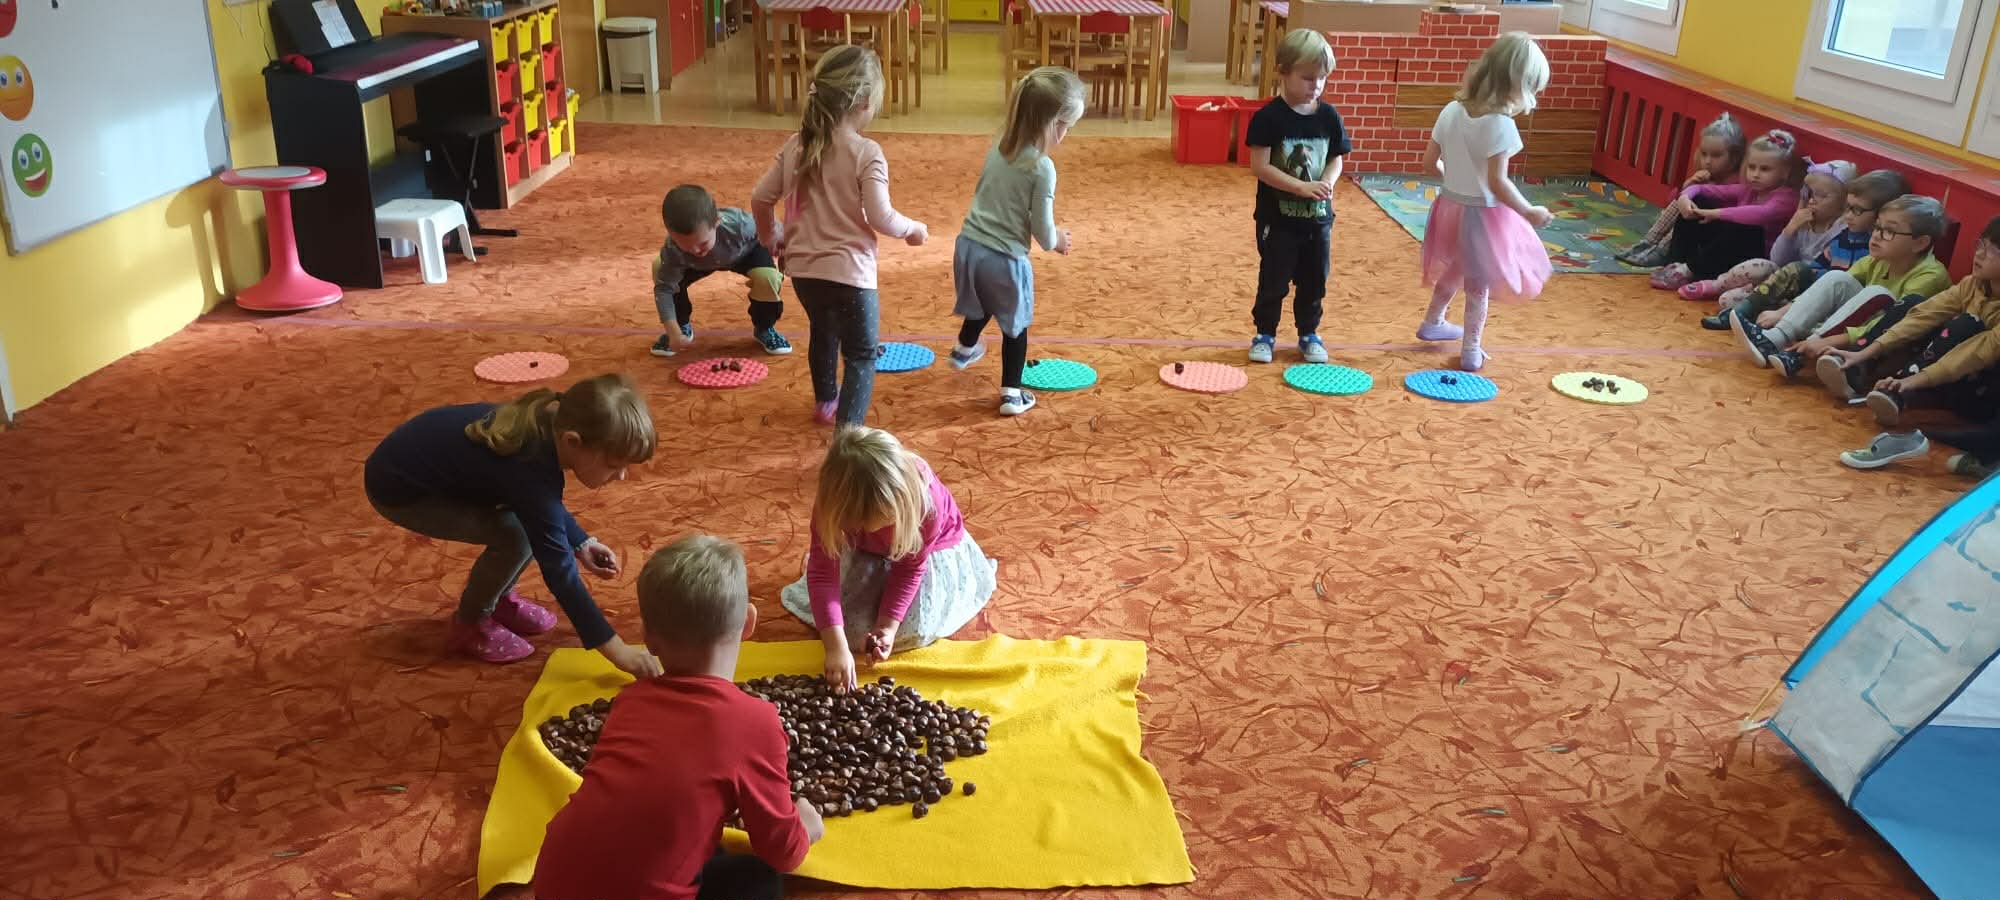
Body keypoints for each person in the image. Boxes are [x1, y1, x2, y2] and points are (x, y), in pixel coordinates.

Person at [534, 534, 826, 900]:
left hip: (554, 880)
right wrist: (806, 827)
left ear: (648, 638)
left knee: (700, 844)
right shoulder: (755, 722)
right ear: (749, 623)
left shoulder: (630, 700)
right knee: (760, 879)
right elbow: (783, 853)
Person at [363, 373, 663, 676]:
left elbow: (542, 506)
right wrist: (618, 652)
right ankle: (469, 624)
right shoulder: (529, 466)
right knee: (515, 537)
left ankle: (498, 600)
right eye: (614, 465)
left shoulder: (547, 429)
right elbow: (559, 571)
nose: (621, 476)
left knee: (524, 523)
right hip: (401, 490)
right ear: (573, 441)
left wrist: (581, 542)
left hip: (420, 468)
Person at [751, 45, 928, 426]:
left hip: (804, 273)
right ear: (864, 102)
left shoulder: (796, 145)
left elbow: (760, 199)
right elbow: (882, 217)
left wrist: (772, 236)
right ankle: (848, 437)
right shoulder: (866, 152)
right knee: (861, 355)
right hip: (851, 276)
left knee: (823, 331)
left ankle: (825, 402)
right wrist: (914, 229)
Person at [780, 426, 996, 692]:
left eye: (882, 521)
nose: (871, 528)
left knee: (912, 629)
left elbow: (909, 568)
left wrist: (887, 627)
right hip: (865, 550)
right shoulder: (831, 503)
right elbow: (823, 573)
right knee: (848, 630)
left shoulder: (925, 505)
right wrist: (835, 647)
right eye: (857, 523)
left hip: (927, 554)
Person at [1413, 31, 1554, 372]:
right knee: (1478, 282)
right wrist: (1528, 211)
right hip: (1482, 214)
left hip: (1449, 207)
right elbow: (1497, 182)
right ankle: (1471, 348)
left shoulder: (1451, 110)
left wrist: (1454, 180)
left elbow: (1429, 163)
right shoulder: (1500, 125)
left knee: (1458, 266)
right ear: (1517, 86)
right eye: (1533, 90)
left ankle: (1433, 321)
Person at [949, 66, 1085, 417]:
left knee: (984, 300)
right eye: (1067, 127)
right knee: (1016, 324)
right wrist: (1058, 240)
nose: (1066, 135)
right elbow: (1043, 231)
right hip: (1004, 258)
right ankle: (1012, 393)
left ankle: (964, 347)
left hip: (968, 247)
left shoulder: (999, 147)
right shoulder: (1042, 167)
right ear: (1053, 124)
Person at [1818, 215, 2000, 442]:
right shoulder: (1972, 284)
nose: (1979, 254)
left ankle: (1902, 392)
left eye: (1993, 251)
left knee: (1965, 323)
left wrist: (1910, 382)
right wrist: (1865, 351)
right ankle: (1859, 365)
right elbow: (1924, 315)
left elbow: (1974, 353)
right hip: (1945, 373)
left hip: (1981, 390)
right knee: (1914, 304)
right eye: (1981, 244)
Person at [1733, 194, 1952, 379]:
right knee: (1837, 277)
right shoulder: (1877, 259)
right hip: (1855, 333)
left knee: (1878, 294)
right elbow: (1830, 288)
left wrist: (1828, 340)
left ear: (1920, 243)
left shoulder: (1930, 276)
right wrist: (1781, 313)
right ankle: (1776, 338)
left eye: (1889, 231)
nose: (1876, 235)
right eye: (1877, 226)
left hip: (1889, 346)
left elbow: (1895, 325)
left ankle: (1802, 353)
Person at [1243, 28, 1352, 365]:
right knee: (1273, 281)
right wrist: (1300, 187)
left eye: (1322, 78)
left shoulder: (1328, 117)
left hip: (1317, 222)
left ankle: (1309, 334)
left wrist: (1328, 181)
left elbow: (1336, 158)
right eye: (1307, 78)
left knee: (1314, 281)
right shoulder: (1268, 118)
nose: (1315, 86)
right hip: (1278, 221)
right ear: (1282, 72)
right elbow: (1260, 166)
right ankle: (1265, 334)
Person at [1697, 168, 1905, 330]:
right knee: (1791, 271)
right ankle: (1740, 313)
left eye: (1856, 210)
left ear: (1880, 215)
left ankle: (1770, 324)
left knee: (1794, 284)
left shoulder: (1871, 248)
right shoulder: (1844, 237)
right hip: (1803, 295)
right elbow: (1807, 267)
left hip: (1828, 306)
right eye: (1848, 208)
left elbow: (1833, 292)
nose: (1848, 215)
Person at [1676, 159, 1854, 302]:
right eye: (1811, 194)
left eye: (1822, 196)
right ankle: (1716, 285)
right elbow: (1777, 260)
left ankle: (1761, 303)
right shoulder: (1804, 221)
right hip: (1780, 277)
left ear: (1844, 202)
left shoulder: (1842, 230)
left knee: (1732, 302)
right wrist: (1790, 229)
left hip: (1806, 291)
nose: (1813, 200)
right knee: (1730, 295)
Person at [649, 184, 793, 357]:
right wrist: (673, 331)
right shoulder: (673, 249)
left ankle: (764, 328)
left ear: (717, 222)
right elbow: (664, 289)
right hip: (693, 265)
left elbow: (771, 228)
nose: (695, 250)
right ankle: (681, 326)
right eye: (685, 245)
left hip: (745, 253)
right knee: (660, 267)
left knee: (768, 277)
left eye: (702, 243)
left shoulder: (739, 224)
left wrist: (784, 250)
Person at [1649, 129, 1801, 289]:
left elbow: (1762, 214)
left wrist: (1716, 214)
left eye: (1765, 169)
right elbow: (1702, 189)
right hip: (1729, 254)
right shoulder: (1747, 189)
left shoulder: (1788, 197)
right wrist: (1685, 197)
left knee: (1744, 227)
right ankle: (1677, 264)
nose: (1755, 174)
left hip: (1759, 262)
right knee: (1699, 201)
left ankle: (1691, 270)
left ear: (1785, 172)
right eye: (1752, 167)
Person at [1618, 112, 1745, 267]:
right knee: (1684, 201)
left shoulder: (1737, 182)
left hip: (1714, 237)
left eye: (1716, 155)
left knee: (1695, 201)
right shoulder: (1707, 175)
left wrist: (1697, 191)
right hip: (1696, 230)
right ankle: (1648, 243)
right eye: (1704, 154)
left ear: (1734, 157)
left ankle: (1663, 251)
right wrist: (1690, 183)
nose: (1707, 161)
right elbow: (1672, 199)